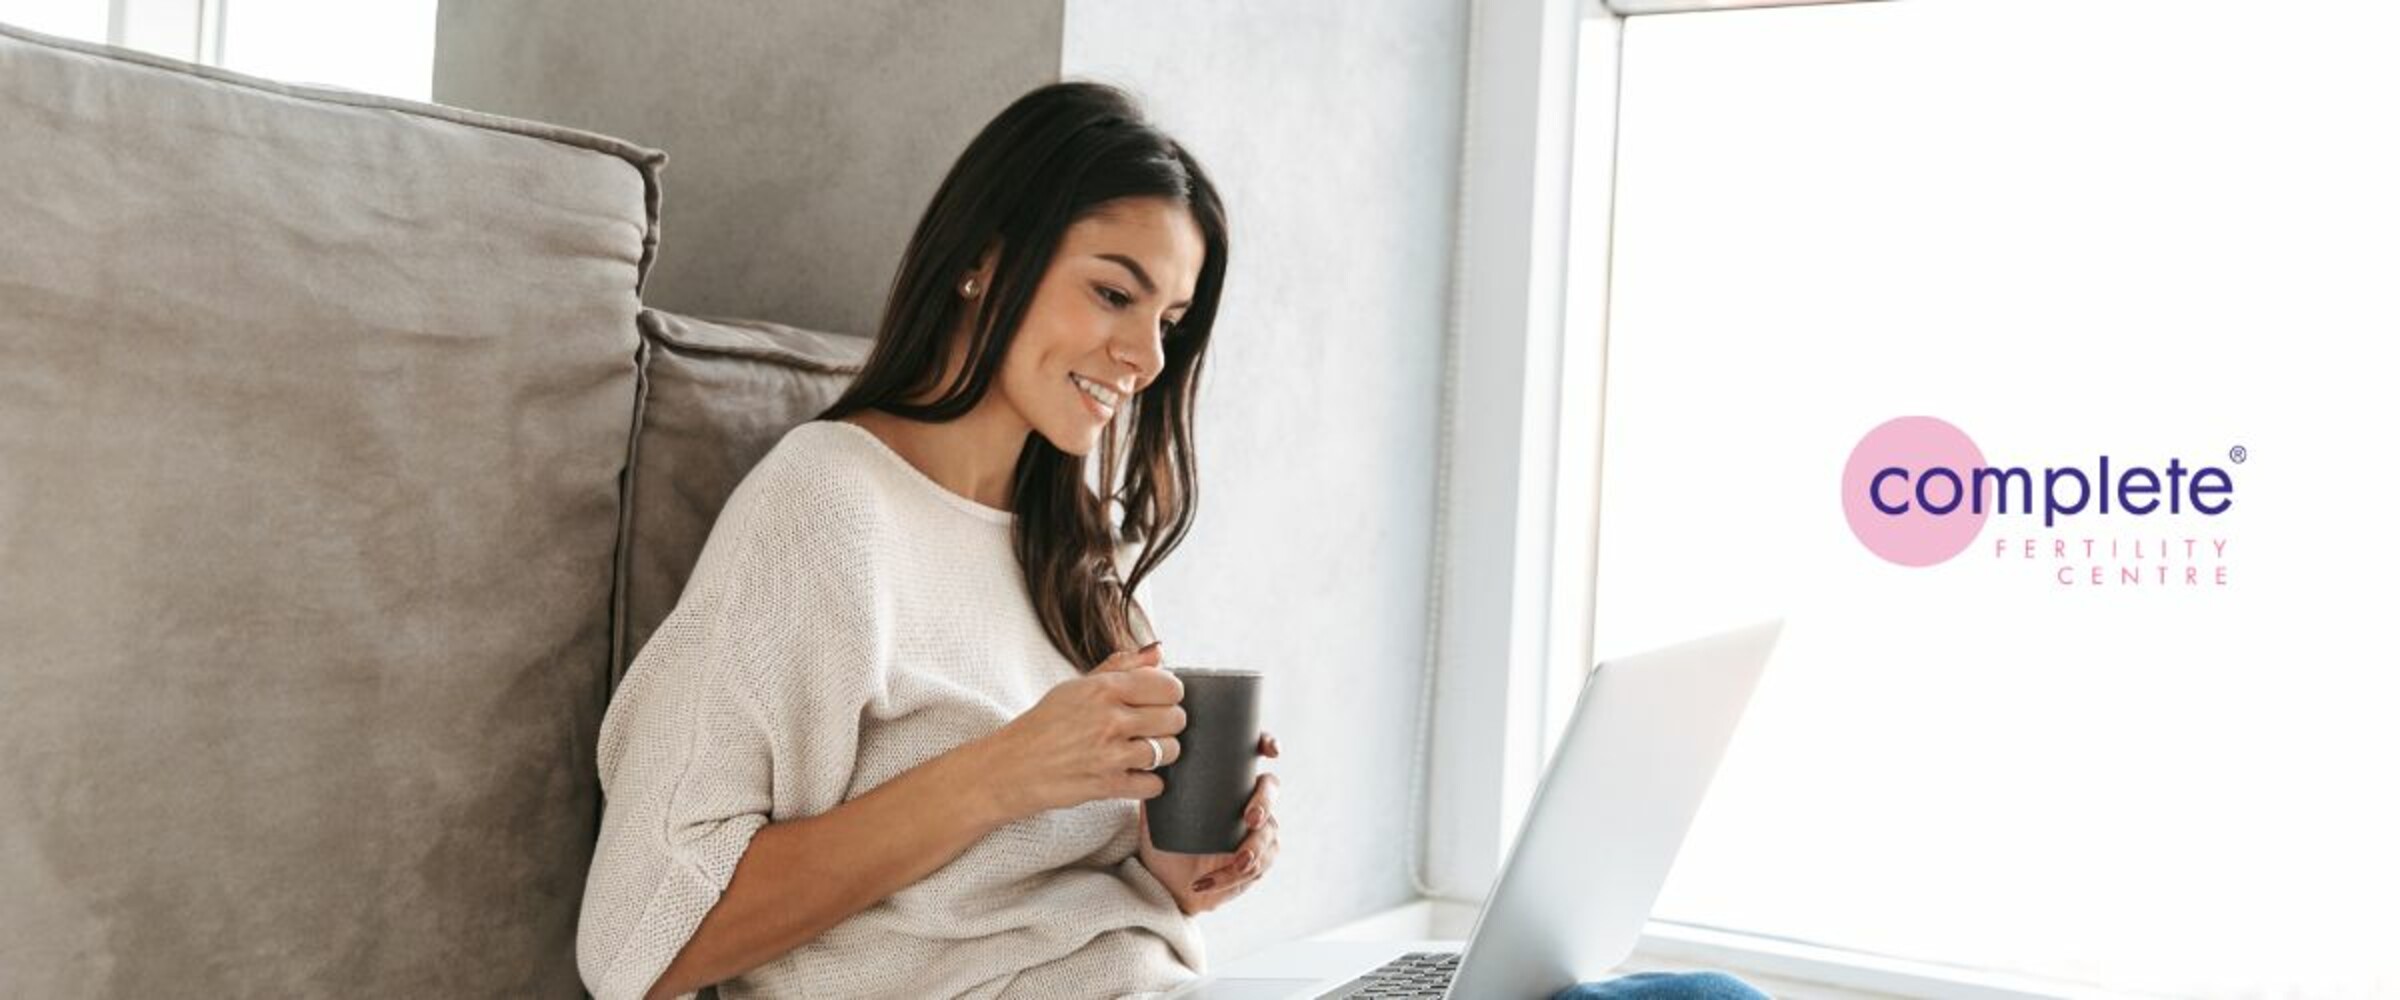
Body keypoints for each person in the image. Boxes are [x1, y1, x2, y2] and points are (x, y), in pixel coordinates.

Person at [574, 79, 1768, 1000]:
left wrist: (1177, 867)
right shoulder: (828, 506)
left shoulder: (1068, 553)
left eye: (1172, 318)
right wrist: (1003, 772)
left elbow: (1054, 899)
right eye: (1113, 291)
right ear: (986, 263)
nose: (1145, 358)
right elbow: (641, 939)